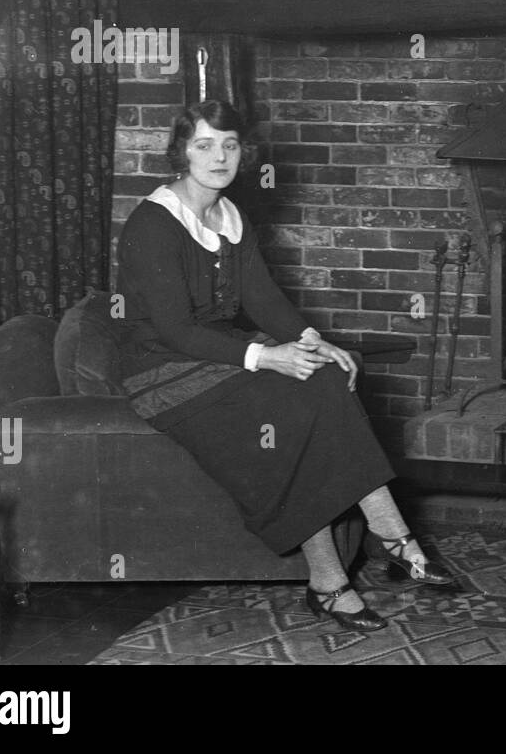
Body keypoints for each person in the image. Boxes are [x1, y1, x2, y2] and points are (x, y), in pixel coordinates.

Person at [116, 100, 452, 632]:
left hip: (218, 349)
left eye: (229, 144)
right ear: (180, 153)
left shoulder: (229, 214)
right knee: (291, 402)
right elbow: (177, 330)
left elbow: (263, 297)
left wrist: (310, 340)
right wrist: (266, 355)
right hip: (161, 368)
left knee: (322, 378)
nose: (219, 156)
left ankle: (348, 568)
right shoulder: (153, 223)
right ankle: (385, 545)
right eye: (204, 144)